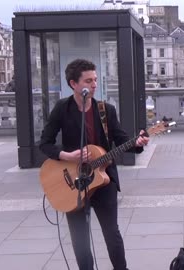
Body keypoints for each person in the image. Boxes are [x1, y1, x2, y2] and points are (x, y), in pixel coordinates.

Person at [39, 59, 149, 270]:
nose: (94, 84)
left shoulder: (105, 109)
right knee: (80, 239)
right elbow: (44, 143)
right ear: (74, 84)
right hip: (74, 183)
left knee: (112, 234)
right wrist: (67, 156)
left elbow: (120, 138)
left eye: (95, 80)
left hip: (103, 180)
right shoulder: (62, 108)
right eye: (88, 80)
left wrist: (138, 143)